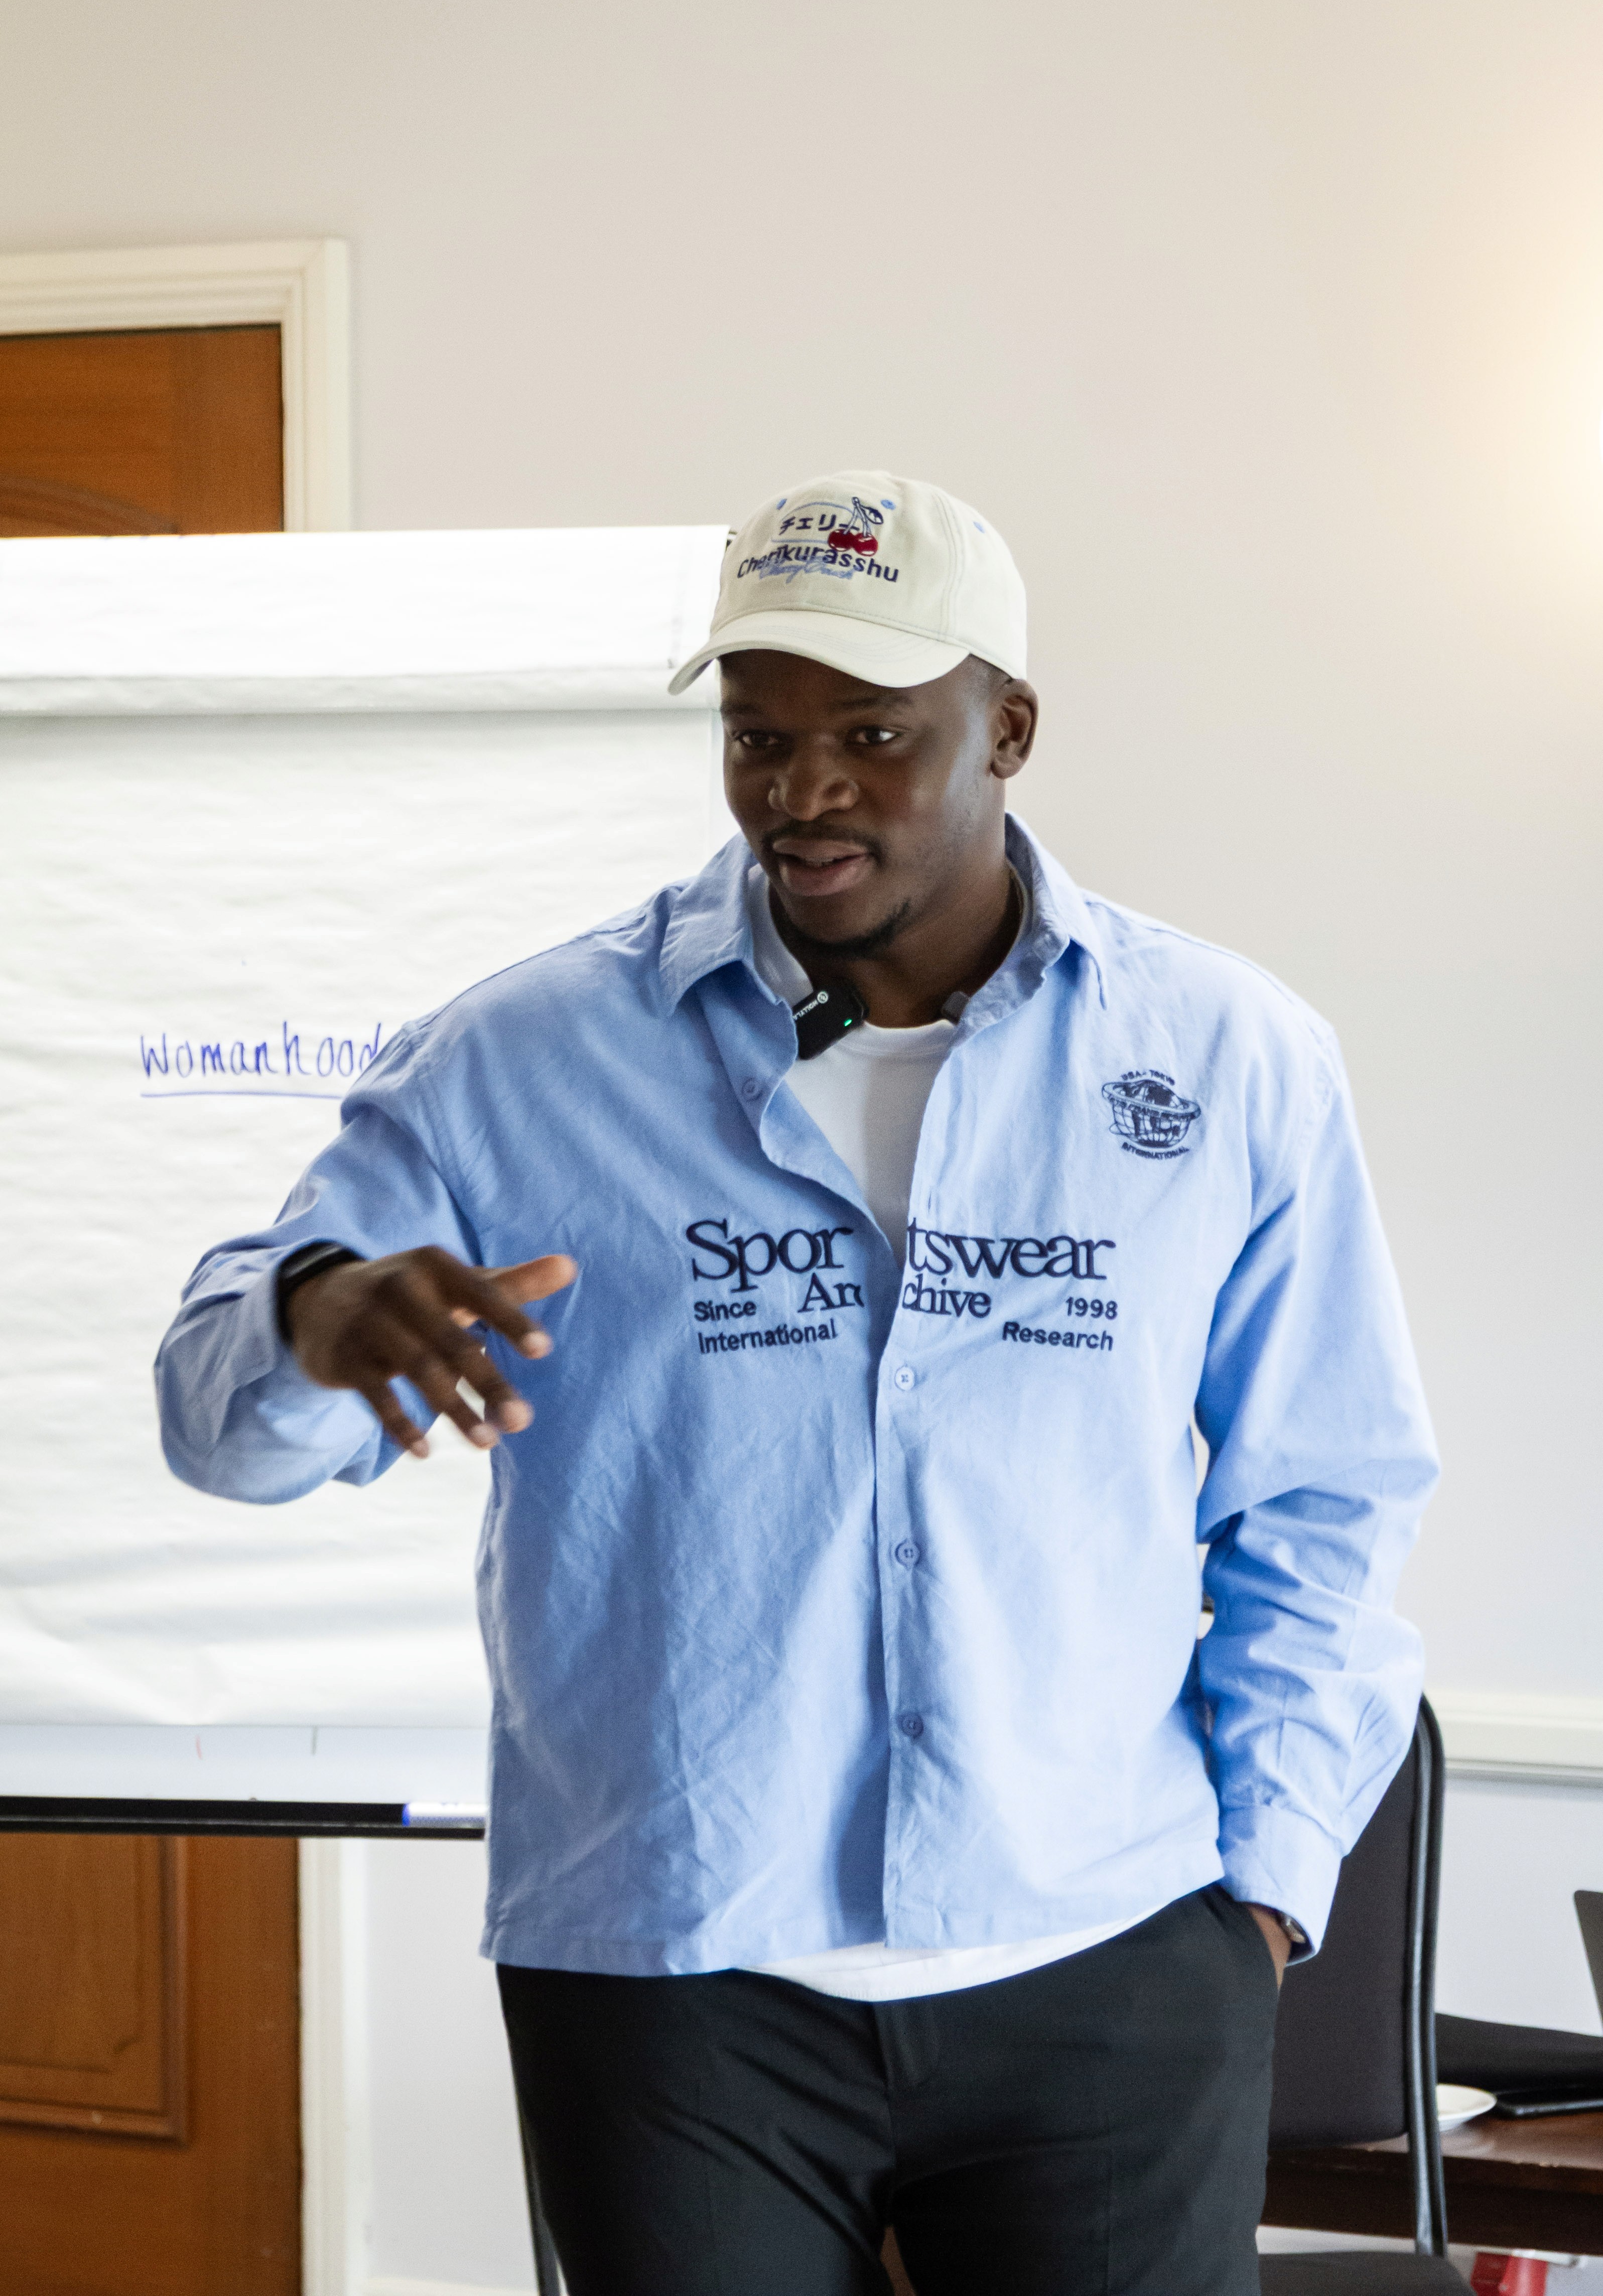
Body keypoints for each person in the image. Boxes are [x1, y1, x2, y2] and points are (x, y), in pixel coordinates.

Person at [156, 471, 1438, 2296]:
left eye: (871, 734)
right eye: (759, 736)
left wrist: (1263, 1891)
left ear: (1006, 731)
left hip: (1104, 1957)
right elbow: (215, 1421)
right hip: (676, 1983)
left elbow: (1326, 1487)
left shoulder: (1227, 1058)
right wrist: (309, 1315)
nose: (802, 787)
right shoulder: (523, 1057)